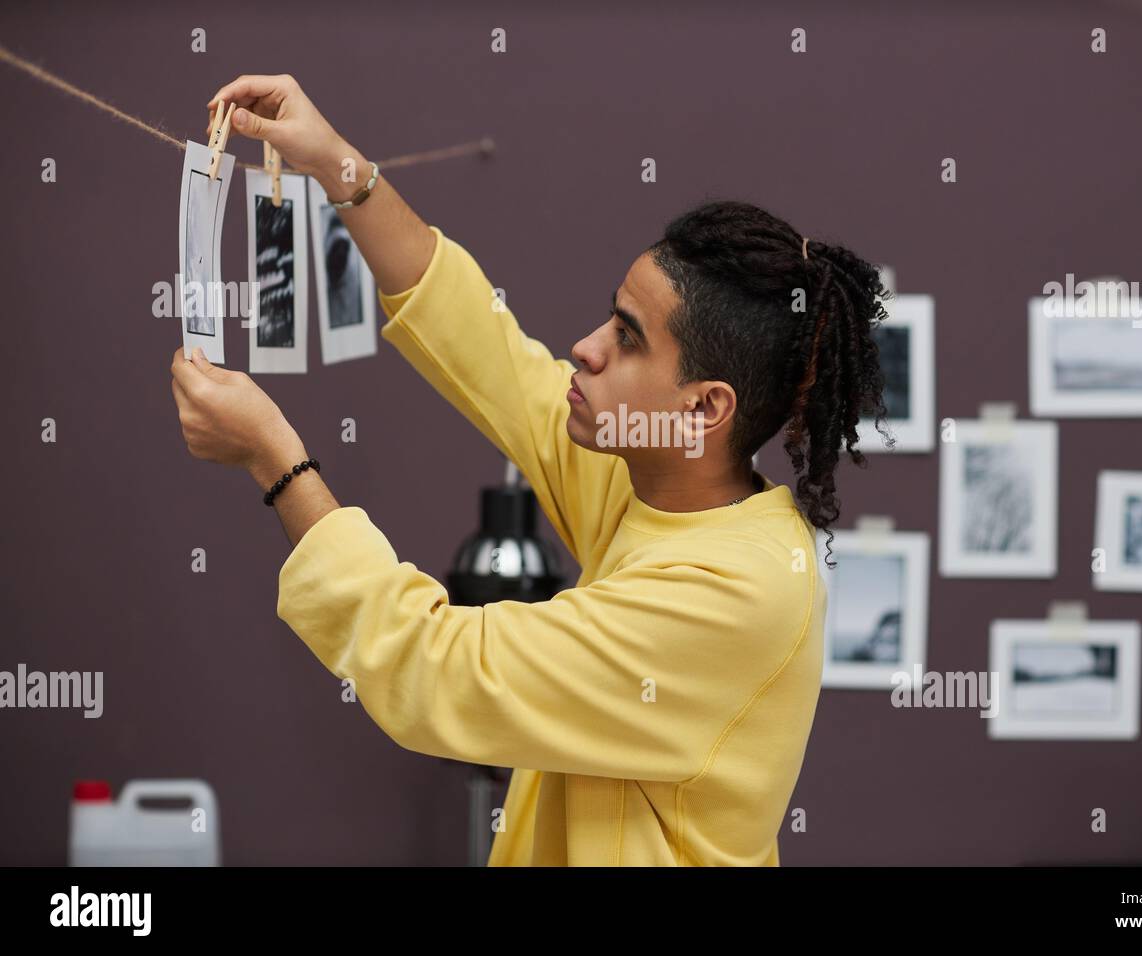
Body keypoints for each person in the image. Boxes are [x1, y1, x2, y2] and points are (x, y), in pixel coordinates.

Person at [169, 74, 892, 866]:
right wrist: (340, 165)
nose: (585, 347)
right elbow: (488, 350)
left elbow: (439, 671)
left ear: (703, 409)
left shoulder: (737, 593)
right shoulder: (660, 479)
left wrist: (276, 459)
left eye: (627, 335)